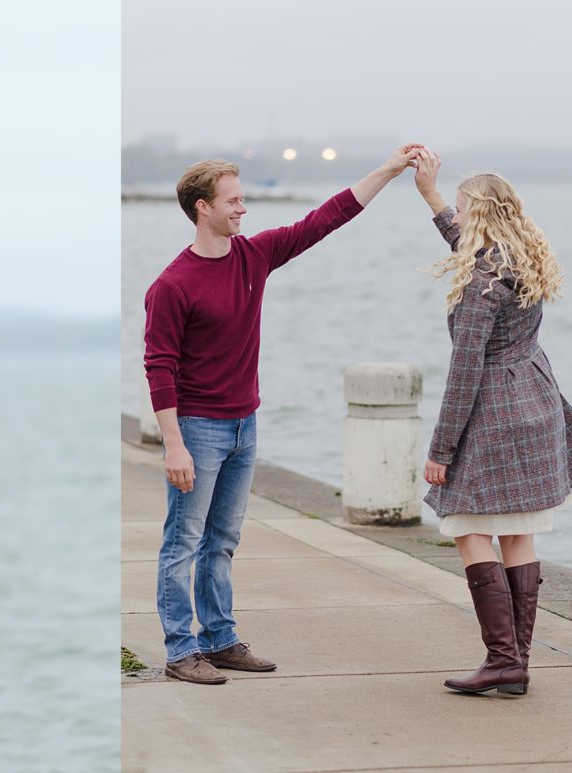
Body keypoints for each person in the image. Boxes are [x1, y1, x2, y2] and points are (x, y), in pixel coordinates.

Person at [143, 144, 423, 685]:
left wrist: (389, 170)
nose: (243, 208)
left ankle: (220, 640)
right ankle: (181, 651)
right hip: (197, 430)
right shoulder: (172, 285)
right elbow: (159, 367)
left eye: (243, 199)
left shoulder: (255, 256)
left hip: (245, 424)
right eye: (234, 200)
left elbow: (325, 219)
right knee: (182, 543)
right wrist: (173, 443)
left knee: (222, 541)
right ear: (203, 207)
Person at [412, 152, 572, 695]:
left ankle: (502, 659)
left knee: (466, 525)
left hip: (495, 410)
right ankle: (515, 663)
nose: (458, 216)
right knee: (518, 532)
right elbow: (464, 242)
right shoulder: (518, 257)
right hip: (537, 403)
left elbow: (466, 366)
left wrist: (440, 451)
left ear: (478, 214)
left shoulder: (482, 278)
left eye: (462, 208)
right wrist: (431, 194)